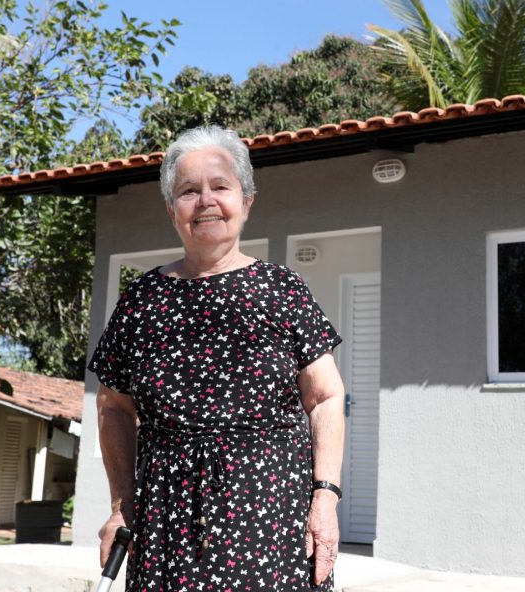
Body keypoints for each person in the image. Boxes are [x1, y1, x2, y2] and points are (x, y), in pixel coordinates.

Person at [89, 125, 346, 591]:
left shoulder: (282, 290)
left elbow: (326, 397)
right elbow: (113, 407)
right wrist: (121, 507)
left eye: (220, 187)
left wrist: (324, 500)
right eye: (188, 191)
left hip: (272, 520)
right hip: (166, 523)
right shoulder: (142, 299)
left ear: (247, 201)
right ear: (172, 211)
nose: (205, 200)